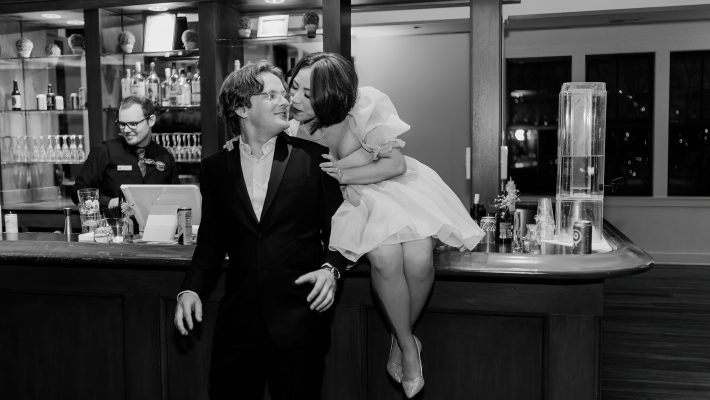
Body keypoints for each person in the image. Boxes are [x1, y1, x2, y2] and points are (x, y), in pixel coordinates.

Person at [288, 52, 484, 398]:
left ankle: (398, 339)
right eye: (294, 89)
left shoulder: (364, 106)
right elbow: (256, 140)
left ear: (330, 94)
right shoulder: (294, 127)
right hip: (356, 201)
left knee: (420, 258)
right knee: (385, 257)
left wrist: (344, 173)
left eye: (308, 93)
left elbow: (395, 165)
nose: (296, 99)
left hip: (393, 187)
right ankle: (409, 346)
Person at [173, 61, 349, 400]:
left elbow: (341, 228)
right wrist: (190, 290)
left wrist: (332, 269)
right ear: (242, 107)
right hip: (237, 323)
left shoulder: (314, 159)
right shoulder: (215, 169)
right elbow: (210, 244)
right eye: (271, 95)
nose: (285, 101)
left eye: (284, 94)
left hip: (300, 320)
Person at [71, 95, 178, 212]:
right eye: (122, 124)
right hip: (115, 223)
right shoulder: (104, 152)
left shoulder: (165, 156)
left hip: (155, 223)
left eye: (133, 123)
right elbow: (77, 192)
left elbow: (177, 198)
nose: (126, 130)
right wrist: (109, 202)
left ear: (151, 120)